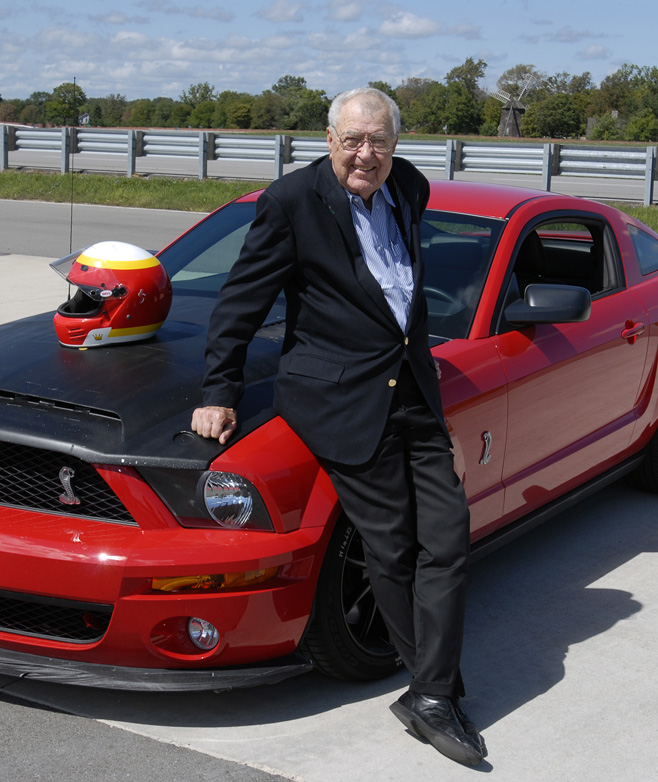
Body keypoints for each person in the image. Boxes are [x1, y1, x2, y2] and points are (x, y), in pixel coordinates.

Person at [191, 87, 485, 767]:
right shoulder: (291, 203)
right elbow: (242, 299)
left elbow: (404, 309)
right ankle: (434, 693)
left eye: (379, 140)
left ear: (395, 145)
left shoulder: (408, 187)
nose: (366, 154)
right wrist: (218, 390)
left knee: (447, 537)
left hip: (412, 393)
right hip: (340, 399)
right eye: (353, 140)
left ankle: (430, 687)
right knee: (391, 548)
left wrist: (434, 405)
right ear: (328, 140)